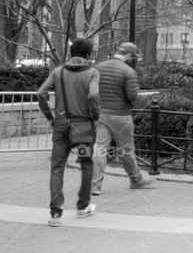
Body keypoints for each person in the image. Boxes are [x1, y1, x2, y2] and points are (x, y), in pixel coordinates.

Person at [37, 38, 100, 227]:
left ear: (72, 53)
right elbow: (94, 94)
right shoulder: (92, 72)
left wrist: (50, 117)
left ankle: (55, 214)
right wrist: (94, 116)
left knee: (57, 168)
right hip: (83, 129)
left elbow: (40, 93)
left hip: (61, 127)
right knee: (86, 164)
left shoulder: (58, 72)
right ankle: (82, 206)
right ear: (88, 55)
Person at [91, 42, 154, 195]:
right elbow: (132, 96)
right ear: (129, 56)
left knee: (99, 149)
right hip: (121, 116)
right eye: (134, 58)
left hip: (102, 114)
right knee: (126, 150)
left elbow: (92, 92)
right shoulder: (128, 71)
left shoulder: (98, 68)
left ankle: (95, 186)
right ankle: (136, 180)